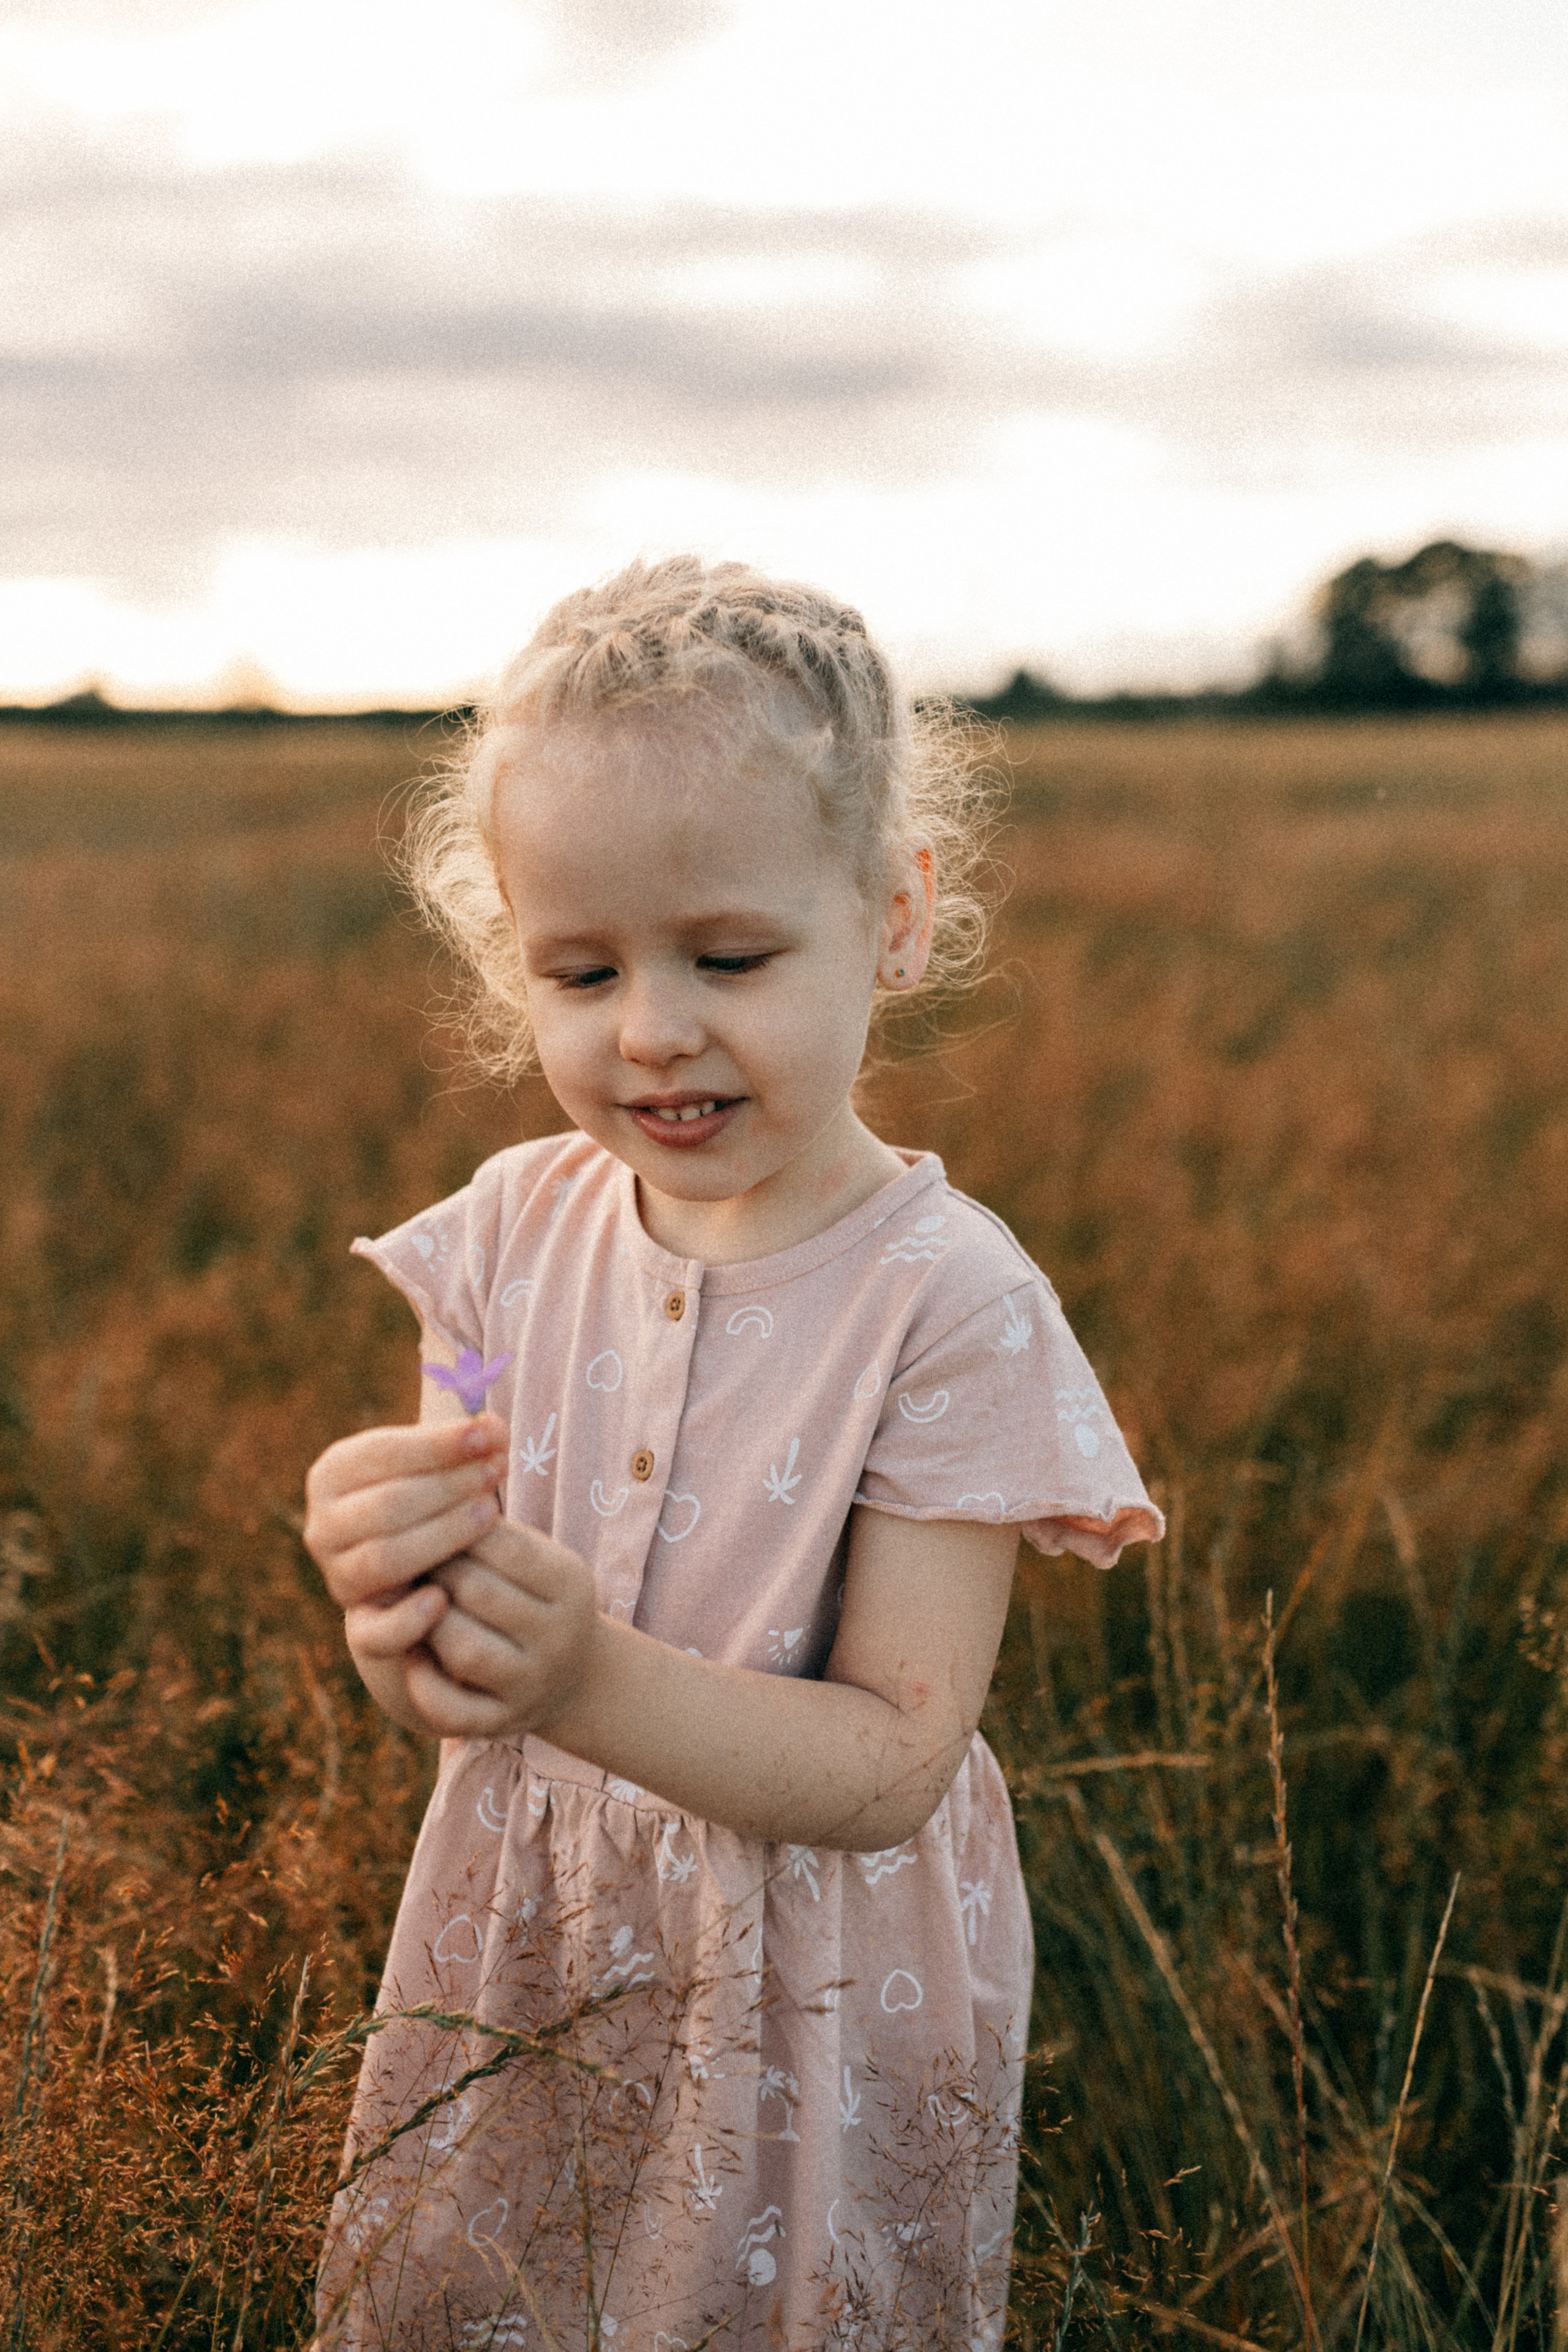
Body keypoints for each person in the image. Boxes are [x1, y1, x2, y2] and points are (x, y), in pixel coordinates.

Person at [304, 556, 1163, 2351]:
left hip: (808, 2003)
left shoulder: (951, 1303)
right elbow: (455, 1674)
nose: (653, 1029)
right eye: (581, 967)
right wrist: (393, 1594)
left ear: (900, 917)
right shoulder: (490, 1252)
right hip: (519, 1955)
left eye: (732, 957)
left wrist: (583, 1671)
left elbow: (894, 1763)